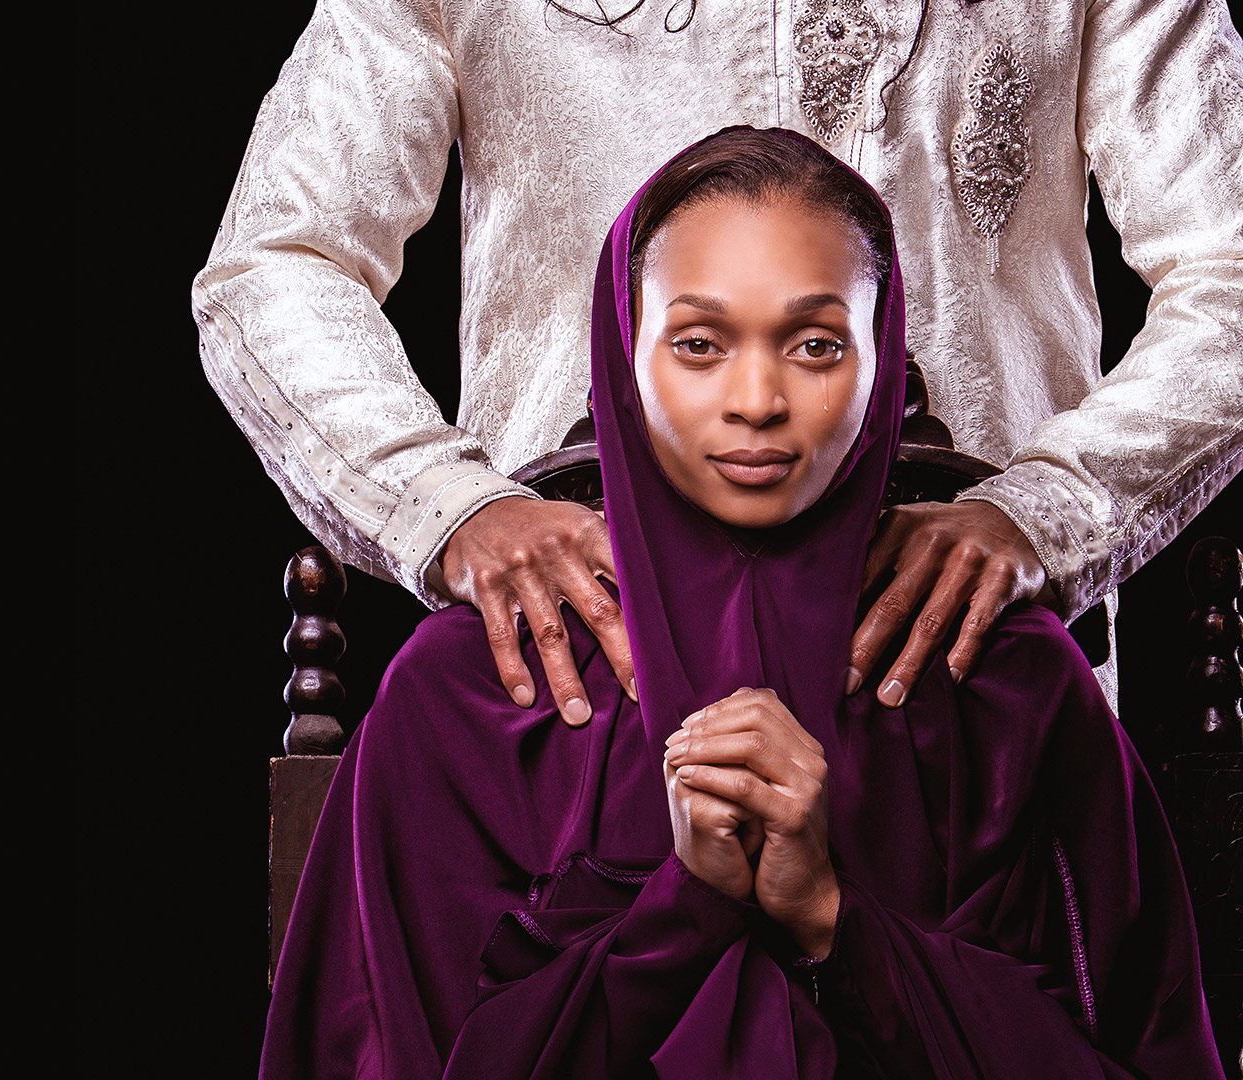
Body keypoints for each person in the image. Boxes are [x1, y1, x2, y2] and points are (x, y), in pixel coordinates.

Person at [259, 127, 1221, 1078]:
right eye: (699, 344)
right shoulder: (469, 692)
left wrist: (830, 918)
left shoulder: (1010, 685)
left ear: (882, 358)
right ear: (624, 354)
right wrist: (690, 907)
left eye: (816, 345)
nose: (757, 399)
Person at [193, 0, 1243, 725]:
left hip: (971, 682)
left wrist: (1053, 509)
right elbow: (276, 261)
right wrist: (443, 504)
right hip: (582, 682)